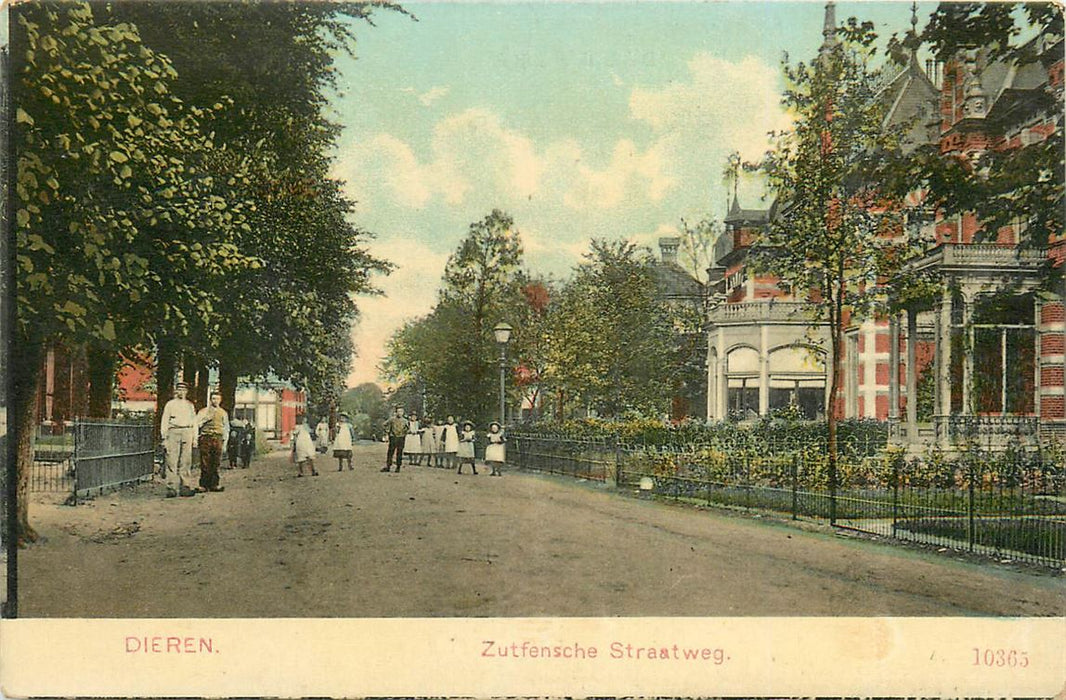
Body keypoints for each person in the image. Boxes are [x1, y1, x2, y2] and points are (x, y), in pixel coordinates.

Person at [160, 382, 198, 498]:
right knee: (172, 460)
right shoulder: (170, 404)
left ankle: (185, 487)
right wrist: (164, 437)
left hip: (187, 432)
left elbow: (194, 422)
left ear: (186, 391)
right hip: (173, 432)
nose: (181, 392)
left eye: (183, 390)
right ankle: (171, 487)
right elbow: (165, 420)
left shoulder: (190, 405)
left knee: (186, 461)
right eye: (179, 389)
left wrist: (195, 437)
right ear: (176, 391)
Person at [196, 391, 229, 493]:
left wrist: (225, 442)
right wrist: (206, 419)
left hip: (217, 438)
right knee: (205, 461)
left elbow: (226, 428)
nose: (215, 401)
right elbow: (197, 424)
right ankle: (204, 485)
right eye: (214, 398)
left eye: (217, 399)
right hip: (206, 438)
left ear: (220, 400)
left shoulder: (223, 412)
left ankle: (214, 484)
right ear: (210, 400)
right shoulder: (203, 411)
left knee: (216, 461)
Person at [382, 406, 408, 472]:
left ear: (403, 412)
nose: (400, 413)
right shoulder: (392, 419)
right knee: (390, 452)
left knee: (399, 452)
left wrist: (404, 433)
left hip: (401, 438)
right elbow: (384, 424)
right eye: (398, 411)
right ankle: (388, 466)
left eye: (401, 411)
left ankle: (398, 467)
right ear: (396, 412)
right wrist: (387, 431)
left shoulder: (405, 421)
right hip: (393, 437)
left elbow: (408, 428)